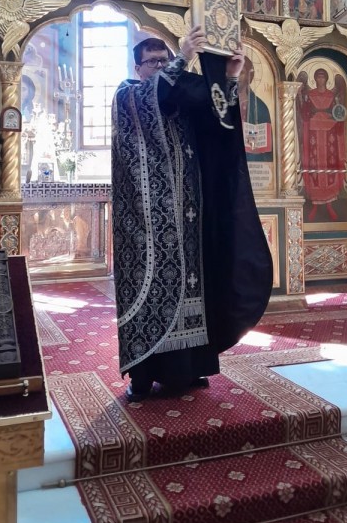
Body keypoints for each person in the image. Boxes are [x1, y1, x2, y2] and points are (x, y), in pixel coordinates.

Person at [111, 26, 272, 401]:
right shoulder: (128, 94)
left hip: (189, 218)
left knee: (194, 289)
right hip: (146, 226)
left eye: (164, 60)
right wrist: (183, 57)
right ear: (137, 68)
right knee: (151, 293)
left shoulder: (181, 97)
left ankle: (188, 368)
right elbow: (155, 98)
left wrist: (228, 77)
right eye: (152, 62)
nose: (159, 66)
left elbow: (218, 120)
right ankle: (144, 375)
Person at [296, 68, 347, 222]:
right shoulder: (309, 95)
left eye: (323, 77)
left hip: (329, 136)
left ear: (326, 79)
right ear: (315, 79)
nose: (320, 79)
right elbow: (304, 114)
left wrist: (337, 121)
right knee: (314, 168)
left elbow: (339, 114)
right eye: (318, 77)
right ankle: (315, 205)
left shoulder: (332, 96)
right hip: (313, 136)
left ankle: (329, 205)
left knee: (329, 167)